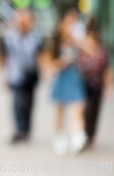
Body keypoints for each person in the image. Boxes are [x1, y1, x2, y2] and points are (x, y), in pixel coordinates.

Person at [43, 9, 87, 155]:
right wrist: (60, 63)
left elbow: (90, 51)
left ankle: (77, 137)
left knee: (78, 109)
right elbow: (48, 64)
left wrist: (76, 42)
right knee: (60, 111)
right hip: (62, 77)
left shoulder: (78, 41)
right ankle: (60, 138)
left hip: (75, 77)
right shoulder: (55, 43)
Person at [2, 9, 42, 144]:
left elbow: (38, 55)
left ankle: (26, 130)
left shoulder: (35, 37)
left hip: (31, 73)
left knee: (29, 103)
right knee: (18, 103)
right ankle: (19, 130)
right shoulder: (10, 37)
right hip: (16, 74)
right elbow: (6, 57)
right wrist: (4, 75)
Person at [78, 17, 113, 148]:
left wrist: (109, 87)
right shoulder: (82, 50)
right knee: (85, 110)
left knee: (94, 110)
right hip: (83, 85)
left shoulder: (101, 52)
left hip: (97, 85)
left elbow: (106, 70)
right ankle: (84, 134)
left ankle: (91, 135)